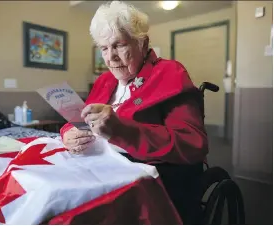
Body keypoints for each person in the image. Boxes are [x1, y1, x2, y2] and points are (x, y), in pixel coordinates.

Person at [60, 1, 209, 224]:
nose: (110, 57)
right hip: (100, 168)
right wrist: (68, 133)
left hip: (149, 183)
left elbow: (193, 143)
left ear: (143, 43)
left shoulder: (170, 72)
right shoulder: (104, 80)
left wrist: (121, 130)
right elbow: (80, 118)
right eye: (103, 48)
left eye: (118, 45)